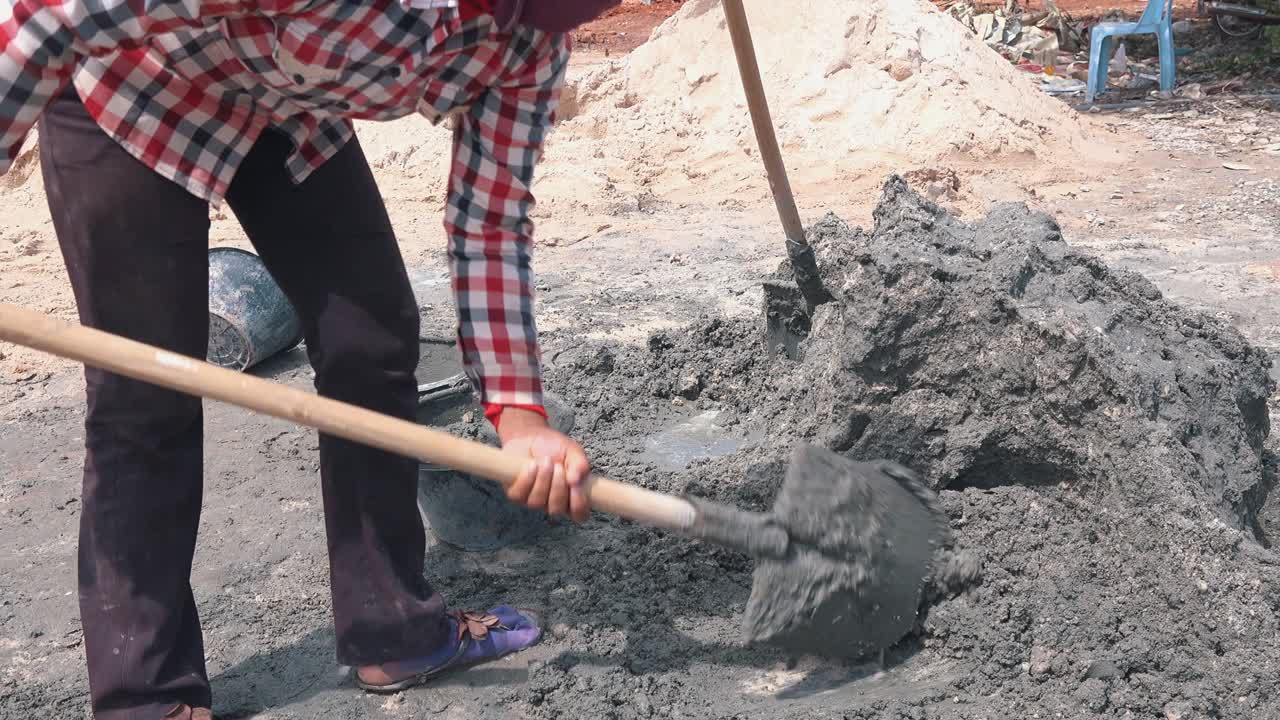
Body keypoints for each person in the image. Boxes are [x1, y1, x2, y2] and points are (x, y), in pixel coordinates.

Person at [0, 1, 619, 718]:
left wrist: (521, 417)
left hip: (282, 102)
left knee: (371, 340)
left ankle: (393, 625)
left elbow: (491, 223)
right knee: (143, 393)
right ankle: (147, 697)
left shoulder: (530, 46)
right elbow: (49, 20)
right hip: (133, 82)